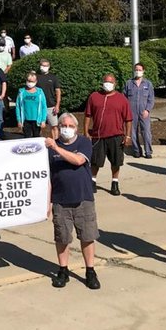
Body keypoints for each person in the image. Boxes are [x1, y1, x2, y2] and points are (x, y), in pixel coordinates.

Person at [46, 113, 100, 289]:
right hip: (60, 201)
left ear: (76, 128)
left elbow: (78, 160)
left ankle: (90, 270)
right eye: (63, 125)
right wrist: (47, 203)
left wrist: (56, 148)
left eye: (70, 126)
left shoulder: (83, 142)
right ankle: (63, 270)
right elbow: (47, 177)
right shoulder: (50, 149)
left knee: (87, 236)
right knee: (62, 237)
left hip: (83, 198)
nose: (66, 128)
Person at [83, 73, 131, 195]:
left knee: (116, 161)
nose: (108, 84)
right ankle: (92, 181)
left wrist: (128, 135)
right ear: (102, 82)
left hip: (116, 135)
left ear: (115, 84)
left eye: (110, 82)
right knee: (95, 161)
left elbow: (128, 119)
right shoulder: (94, 97)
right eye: (106, 81)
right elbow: (88, 115)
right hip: (98, 136)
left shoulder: (122, 99)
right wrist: (86, 132)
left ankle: (115, 182)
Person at [125, 62, 156, 159]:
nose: (137, 71)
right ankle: (136, 151)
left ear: (143, 71)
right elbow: (124, 98)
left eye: (140, 70)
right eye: (136, 70)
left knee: (146, 132)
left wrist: (147, 110)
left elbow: (151, 99)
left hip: (144, 112)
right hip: (132, 112)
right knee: (133, 132)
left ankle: (148, 151)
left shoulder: (148, 84)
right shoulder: (129, 83)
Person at [15, 71, 48, 138]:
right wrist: (19, 120)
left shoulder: (40, 92)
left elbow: (44, 107)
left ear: (36, 81)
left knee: (36, 137)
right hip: (25, 120)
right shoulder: (21, 92)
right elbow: (18, 107)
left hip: (37, 120)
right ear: (26, 81)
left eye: (32, 81)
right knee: (27, 138)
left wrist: (43, 120)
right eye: (29, 81)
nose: (30, 83)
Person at [36, 58, 62, 137]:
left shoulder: (53, 77)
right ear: (40, 66)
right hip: (38, 106)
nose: (44, 67)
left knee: (54, 126)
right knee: (38, 126)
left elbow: (58, 91)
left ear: (49, 66)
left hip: (51, 105)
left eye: (46, 65)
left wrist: (57, 105)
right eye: (42, 65)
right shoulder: (36, 77)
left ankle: (56, 143)